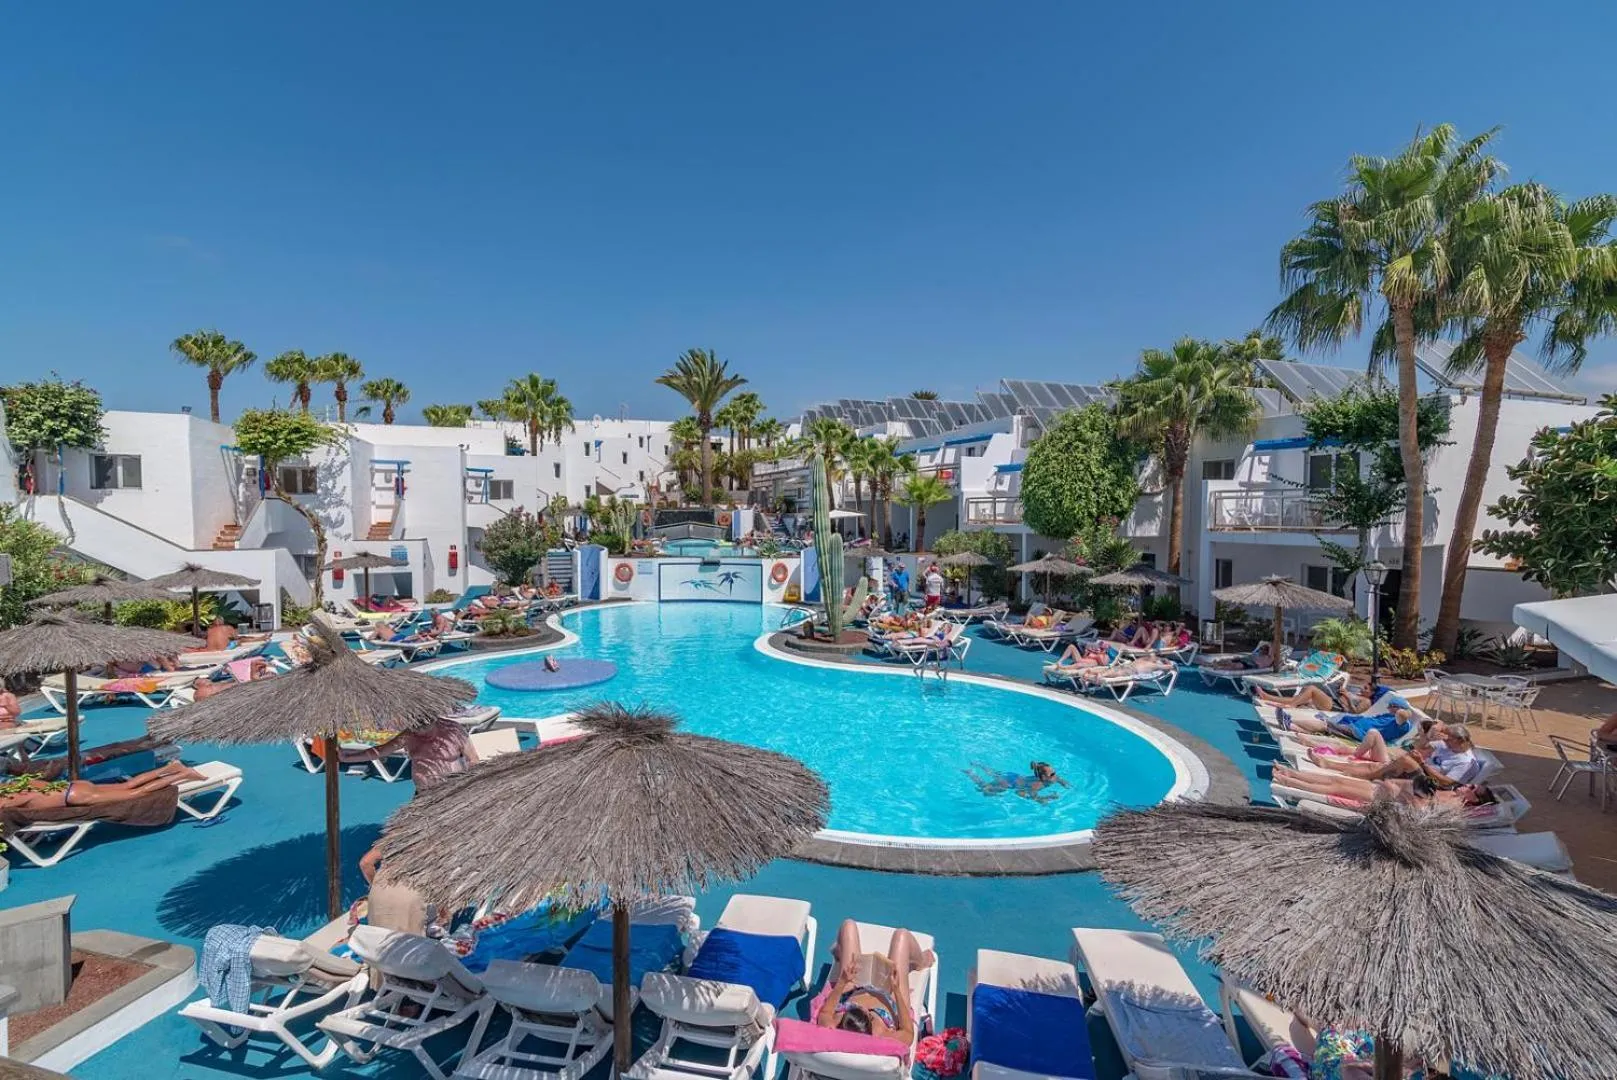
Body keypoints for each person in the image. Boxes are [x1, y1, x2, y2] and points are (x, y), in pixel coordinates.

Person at [349, 719, 481, 881]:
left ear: (432, 719)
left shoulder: (453, 730)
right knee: (371, 859)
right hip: (423, 798)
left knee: (447, 842)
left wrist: (469, 789)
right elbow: (379, 751)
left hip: (452, 797)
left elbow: (474, 761)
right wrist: (345, 757)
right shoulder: (410, 735)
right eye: (415, 728)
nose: (419, 732)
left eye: (422, 728)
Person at [815, 918, 933, 1044]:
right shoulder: (883, 1035)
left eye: (857, 1008)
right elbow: (908, 1033)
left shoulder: (833, 1025)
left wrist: (843, 981)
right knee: (902, 935)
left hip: (853, 988)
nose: (866, 1008)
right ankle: (920, 961)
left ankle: (840, 949)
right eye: (870, 1017)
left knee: (848, 926)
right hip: (891, 995)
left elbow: (825, 1013)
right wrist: (897, 990)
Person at [1306, 723, 1481, 786]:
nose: (1445, 740)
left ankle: (1367, 777)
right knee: (1377, 765)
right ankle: (1329, 764)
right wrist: (1425, 743)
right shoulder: (1446, 746)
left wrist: (1422, 764)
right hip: (1417, 770)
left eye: (1448, 738)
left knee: (1398, 762)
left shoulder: (1466, 762)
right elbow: (1420, 748)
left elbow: (1447, 782)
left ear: (1460, 741)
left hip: (1427, 782)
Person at [1271, 765, 1495, 810]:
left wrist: (1399, 792)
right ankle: (1292, 773)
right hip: (1386, 790)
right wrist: (1392, 783)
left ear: (1474, 799)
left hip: (1386, 800)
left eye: (1472, 787)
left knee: (1336, 786)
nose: (1467, 785)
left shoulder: (1454, 806)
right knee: (1334, 779)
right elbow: (1416, 788)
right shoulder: (1452, 791)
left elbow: (1421, 808)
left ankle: (1289, 782)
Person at [0, 761, 209, 809]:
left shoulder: (7, 798)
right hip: (74, 787)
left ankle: (184, 774)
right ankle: (171, 767)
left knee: (136, 794)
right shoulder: (17, 783)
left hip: (75, 797)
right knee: (130, 785)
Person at [963, 761, 1070, 803]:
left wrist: (1065, 784)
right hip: (1010, 782)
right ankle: (971, 774)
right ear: (1043, 777)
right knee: (985, 788)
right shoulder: (1036, 785)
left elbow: (1060, 779)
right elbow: (1021, 793)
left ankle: (980, 765)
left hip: (1015, 776)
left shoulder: (1053, 777)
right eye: (1052, 774)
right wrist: (1048, 797)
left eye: (1054, 772)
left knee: (994, 773)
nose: (1055, 775)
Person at [1203, 641, 1275, 672]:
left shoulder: (1269, 658)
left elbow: (1271, 646)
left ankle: (1218, 668)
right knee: (1227, 660)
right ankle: (1210, 664)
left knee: (1237, 665)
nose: (1260, 650)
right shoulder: (1258, 654)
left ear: (1267, 651)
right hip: (1247, 659)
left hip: (1252, 664)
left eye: (1263, 649)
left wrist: (1269, 645)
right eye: (1261, 648)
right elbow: (1251, 655)